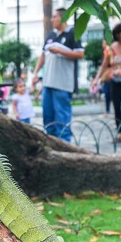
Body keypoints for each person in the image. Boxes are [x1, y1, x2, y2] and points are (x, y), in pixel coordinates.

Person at [31, 8, 84, 142]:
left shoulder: (72, 34)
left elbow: (80, 53)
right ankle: (51, 143)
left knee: (62, 117)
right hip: (48, 83)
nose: (52, 19)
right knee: (48, 116)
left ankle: (65, 144)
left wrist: (60, 51)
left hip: (63, 84)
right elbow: (43, 55)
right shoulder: (51, 35)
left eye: (55, 17)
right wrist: (36, 73)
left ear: (63, 18)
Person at [93, 23, 121, 141]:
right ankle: (120, 132)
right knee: (117, 106)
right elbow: (104, 65)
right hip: (115, 81)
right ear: (117, 34)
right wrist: (97, 79)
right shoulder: (110, 48)